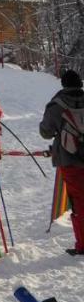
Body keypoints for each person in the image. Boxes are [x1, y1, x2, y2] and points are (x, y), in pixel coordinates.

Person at [39, 69, 84, 256]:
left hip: (70, 160)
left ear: (63, 84)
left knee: (79, 202)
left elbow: (45, 132)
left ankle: (82, 245)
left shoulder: (56, 105)